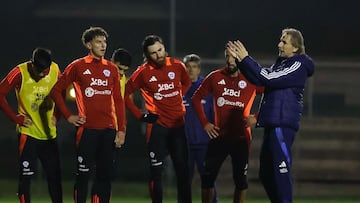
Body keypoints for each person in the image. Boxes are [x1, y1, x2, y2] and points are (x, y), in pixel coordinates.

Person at [227, 28, 315, 203]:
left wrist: (246, 58)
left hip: (282, 124)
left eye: (284, 42)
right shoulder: (282, 64)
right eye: (280, 40)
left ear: (295, 49)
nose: (279, 44)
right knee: (266, 173)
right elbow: (260, 79)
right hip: (272, 123)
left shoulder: (298, 65)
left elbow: (268, 78)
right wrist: (241, 61)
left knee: (280, 170)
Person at [50, 26, 126, 203]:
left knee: (105, 178)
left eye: (105, 41)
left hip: (108, 131)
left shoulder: (112, 69)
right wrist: (69, 115)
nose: (103, 45)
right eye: (98, 41)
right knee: (83, 177)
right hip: (87, 130)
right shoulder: (77, 66)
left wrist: (121, 129)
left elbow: (119, 101)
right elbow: (56, 91)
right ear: (88, 44)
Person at [124, 34, 192, 203]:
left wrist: (178, 97)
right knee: (156, 173)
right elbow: (124, 94)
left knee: (183, 172)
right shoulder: (143, 72)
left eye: (160, 50)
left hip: (178, 127)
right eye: (153, 53)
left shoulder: (177, 66)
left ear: (164, 47)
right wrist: (140, 115)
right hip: (157, 128)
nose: (159, 55)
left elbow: (186, 82)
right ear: (147, 56)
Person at [192, 48, 263, 203]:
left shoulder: (251, 79)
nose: (230, 61)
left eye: (234, 57)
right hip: (219, 137)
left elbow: (271, 95)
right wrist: (205, 123)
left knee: (241, 181)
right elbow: (196, 98)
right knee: (207, 178)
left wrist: (257, 117)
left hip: (241, 139)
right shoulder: (215, 77)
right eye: (227, 57)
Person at [0, 47, 63, 203]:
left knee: (54, 180)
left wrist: (57, 115)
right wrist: (16, 118)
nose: (42, 74)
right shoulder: (20, 72)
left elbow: (61, 92)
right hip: (28, 135)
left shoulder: (55, 69)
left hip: (49, 136)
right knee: (25, 180)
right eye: (39, 70)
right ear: (32, 64)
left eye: (45, 71)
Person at [182, 54, 217, 203]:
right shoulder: (178, 89)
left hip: (204, 144)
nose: (191, 70)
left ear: (199, 69)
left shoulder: (207, 89)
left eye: (194, 67)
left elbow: (215, 115)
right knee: (184, 181)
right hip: (184, 145)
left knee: (208, 180)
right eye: (188, 67)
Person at [110, 47, 132, 180]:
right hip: (97, 128)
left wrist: (122, 129)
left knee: (107, 174)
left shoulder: (122, 79)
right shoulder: (101, 75)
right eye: (119, 68)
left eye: (125, 70)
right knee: (85, 173)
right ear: (112, 61)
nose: (121, 73)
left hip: (115, 129)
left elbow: (121, 104)